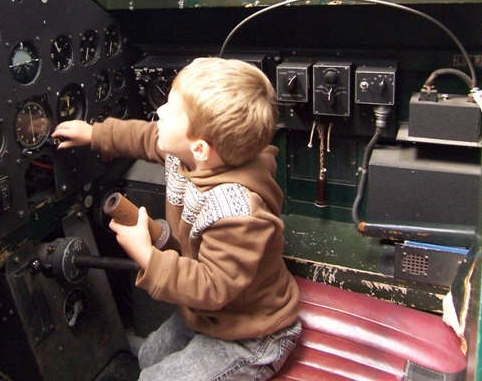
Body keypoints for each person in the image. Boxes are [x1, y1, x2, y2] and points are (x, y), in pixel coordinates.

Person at [52, 57, 300, 380]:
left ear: (200, 149)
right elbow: (145, 136)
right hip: (209, 315)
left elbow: (212, 286)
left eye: (171, 109)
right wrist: (95, 134)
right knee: (149, 354)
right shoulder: (190, 155)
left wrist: (146, 256)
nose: (160, 112)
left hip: (251, 333)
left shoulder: (238, 213)